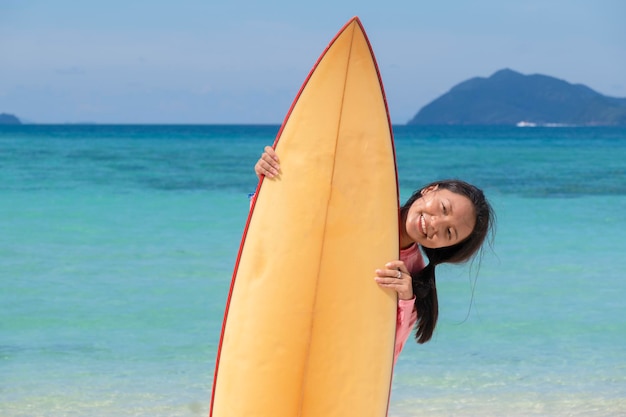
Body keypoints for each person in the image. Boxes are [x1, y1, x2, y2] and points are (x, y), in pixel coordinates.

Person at [254, 146, 495, 364]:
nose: (435, 224)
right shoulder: (361, 205)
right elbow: (286, 228)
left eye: (448, 232)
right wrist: (269, 181)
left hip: (328, 363)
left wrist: (405, 299)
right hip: (283, 334)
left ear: (445, 246)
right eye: (443, 208)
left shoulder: (412, 277)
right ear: (429, 190)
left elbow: (384, 358)